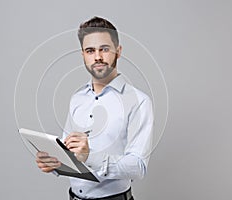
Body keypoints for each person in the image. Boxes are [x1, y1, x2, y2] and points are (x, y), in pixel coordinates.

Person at [36, 16, 154, 200]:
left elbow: (138, 167)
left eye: (104, 49)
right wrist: (56, 164)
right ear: (83, 55)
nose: (97, 57)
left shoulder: (138, 101)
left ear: (118, 51)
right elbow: (72, 155)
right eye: (90, 51)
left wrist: (90, 156)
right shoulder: (77, 99)